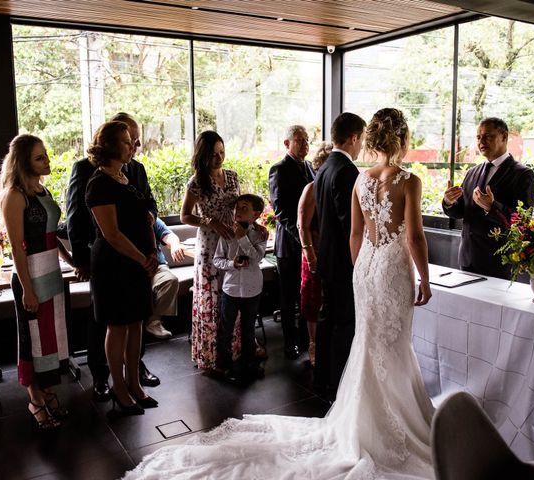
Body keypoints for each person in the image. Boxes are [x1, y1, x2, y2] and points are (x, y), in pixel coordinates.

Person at [123, 109, 434, 479]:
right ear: (401, 138)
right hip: (392, 269)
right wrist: (424, 279)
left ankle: (364, 419)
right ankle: (394, 422)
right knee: (392, 342)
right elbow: (414, 237)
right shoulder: (408, 180)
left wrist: (360, 272)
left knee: (368, 343)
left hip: (365, 267)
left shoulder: (362, 179)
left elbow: (355, 235)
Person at [66, 112, 160, 401]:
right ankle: (112, 383)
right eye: (129, 140)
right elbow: (100, 228)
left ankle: (134, 382)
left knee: (135, 323)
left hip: (137, 262)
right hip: (114, 263)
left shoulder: (130, 174)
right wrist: (80, 259)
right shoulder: (94, 178)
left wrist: (152, 250)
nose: (135, 145)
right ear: (110, 144)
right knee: (112, 324)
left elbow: (148, 213)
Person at [0, 134, 72, 429]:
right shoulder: (14, 196)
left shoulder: (42, 190)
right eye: (39, 157)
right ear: (23, 162)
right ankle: (36, 400)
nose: (47, 161)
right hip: (30, 277)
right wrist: (27, 289)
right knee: (32, 341)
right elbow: (18, 247)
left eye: (46, 155)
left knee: (52, 339)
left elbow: (51, 236)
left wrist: (71, 261)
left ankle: (49, 392)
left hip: (52, 274)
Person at [313, 112, 366, 400]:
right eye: (362, 139)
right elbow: (350, 224)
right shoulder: (347, 172)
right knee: (344, 323)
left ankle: (321, 379)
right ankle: (338, 385)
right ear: (354, 137)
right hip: (344, 260)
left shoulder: (324, 167)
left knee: (327, 320)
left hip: (327, 257)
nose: (362, 146)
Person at [442, 117, 534, 279]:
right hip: (467, 259)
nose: (481, 141)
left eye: (488, 136)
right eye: (478, 137)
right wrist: (449, 202)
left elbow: (523, 220)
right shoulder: (472, 172)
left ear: (504, 137)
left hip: (498, 263)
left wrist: (491, 207)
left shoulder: (522, 174)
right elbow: (462, 212)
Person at [180, 131, 241, 370]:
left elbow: (240, 207)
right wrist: (209, 221)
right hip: (209, 244)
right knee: (213, 296)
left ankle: (233, 348)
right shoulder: (196, 181)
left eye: (222, 152)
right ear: (203, 155)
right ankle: (212, 353)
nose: (219, 158)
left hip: (231, 241)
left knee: (232, 294)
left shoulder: (233, 177)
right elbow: (185, 215)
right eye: (214, 154)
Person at [268, 125, 314, 360]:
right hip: (289, 244)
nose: (305, 144)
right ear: (287, 143)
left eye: (307, 140)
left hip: (309, 243)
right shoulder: (279, 169)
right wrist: (301, 236)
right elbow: (281, 211)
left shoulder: (309, 166)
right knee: (288, 297)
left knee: (306, 294)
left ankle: (307, 340)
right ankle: (290, 343)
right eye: (300, 140)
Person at [213, 194, 267, 382]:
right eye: (237, 207)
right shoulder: (226, 234)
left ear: (256, 214)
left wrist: (243, 239)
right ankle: (222, 366)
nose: (238, 211)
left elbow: (258, 258)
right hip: (231, 288)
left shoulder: (261, 234)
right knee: (225, 329)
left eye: (244, 208)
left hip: (253, 288)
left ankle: (249, 365)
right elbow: (217, 260)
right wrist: (231, 264)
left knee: (248, 329)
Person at [296, 141, 333, 367]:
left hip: (333, 253)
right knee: (312, 300)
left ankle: (329, 343)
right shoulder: (311, 188)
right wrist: (311, 255)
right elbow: (302, 226)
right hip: (314, 252)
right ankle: (313, 344)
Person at [146, 218, 184, 340]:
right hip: (133, 268)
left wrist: (175, 245)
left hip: (157, 266)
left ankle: (154, 322)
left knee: (170, 280)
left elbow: (169, 235)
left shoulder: (151, 218)